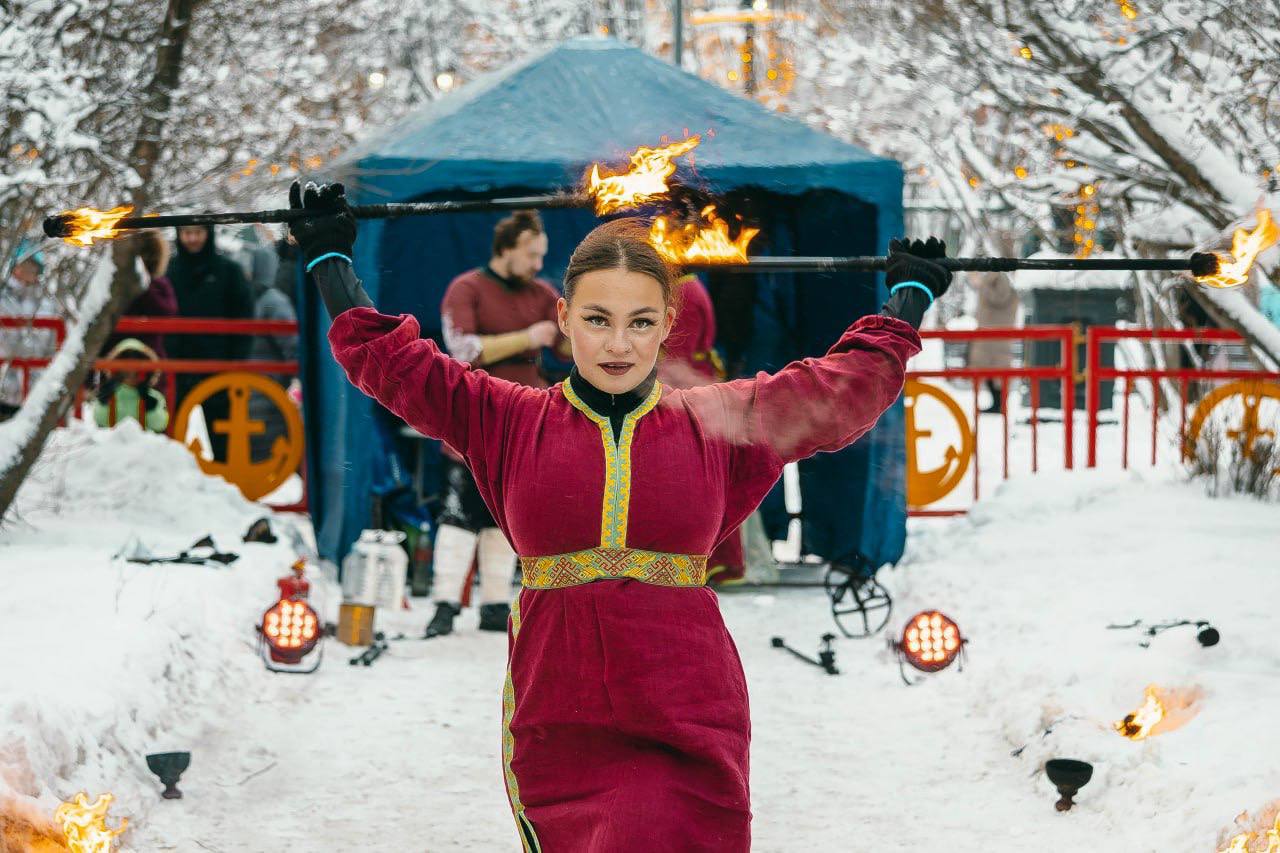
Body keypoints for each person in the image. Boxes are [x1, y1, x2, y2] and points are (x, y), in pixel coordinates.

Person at [288, 181, 947, 852]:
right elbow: (395, 365)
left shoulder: (720, 422)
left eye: (639, 322)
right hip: (558, 711)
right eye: (598, 319)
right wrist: (329, 261)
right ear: (565, 316)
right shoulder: (506, 419)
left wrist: (904, 303)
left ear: (667, 324)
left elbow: (839, 391)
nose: (618, 343)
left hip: (685, 710)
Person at [426, 209, 563, 638]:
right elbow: (461, 348)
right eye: (531, 254)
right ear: (507, 249)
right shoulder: (466, 288)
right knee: (459, 513)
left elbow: (568, 350)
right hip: (475, 417)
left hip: (525, 419)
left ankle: (494, 604)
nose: (538, 264)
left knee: (506, 515)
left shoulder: (543, 293)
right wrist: (528, 338)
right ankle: (446, 603)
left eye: (541, 255)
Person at [658, 272, 746, 583]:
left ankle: (716, 559)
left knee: (701, 480)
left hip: (688, 395)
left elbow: (675, 359)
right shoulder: (688, 288)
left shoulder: (684, 294)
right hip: (695, 389)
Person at [165, 224, 254, 461]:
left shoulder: (229, 272)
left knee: (223, 439)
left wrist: (235, 361)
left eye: (198, 232)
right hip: (177, 367)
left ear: (209, 233)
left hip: (219, 367)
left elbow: (244, 317)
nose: (192, 238)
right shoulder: (169, 272)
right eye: (186, 232)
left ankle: (227, 488)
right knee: (168, 437)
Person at [0, 241, 62, 419]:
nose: (29, 271)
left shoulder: (47, 305)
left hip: (34, 394)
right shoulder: (3, 300)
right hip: (3, 390)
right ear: (14, 266)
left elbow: (52, 348)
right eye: (25, 265)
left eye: (34, 268)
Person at [102, 230, 179, 360]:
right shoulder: (113, 283)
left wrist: (144, 286)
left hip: (148, 355)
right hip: (114, 354)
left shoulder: (158, 285)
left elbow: (167, 312)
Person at [967, 268, 1020, 413]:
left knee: (991, 370)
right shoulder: (1006, 287)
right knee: (994, 371)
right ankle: (998, 403)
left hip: (990, 336)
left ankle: (998, 404)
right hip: (997, 336)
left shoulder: (993, 284)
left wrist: (981, 284)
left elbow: (996, 298)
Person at [92, 338, 169, 433]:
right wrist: (103, 402)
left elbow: (160, 425)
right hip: (113, 445)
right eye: (126, 371)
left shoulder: (153, 396)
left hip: (143, 445)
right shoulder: (110, 394)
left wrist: (151, 408)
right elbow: (100, 420)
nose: (131, 374)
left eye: (137, 371)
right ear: (117, 371)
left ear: (146, 372)